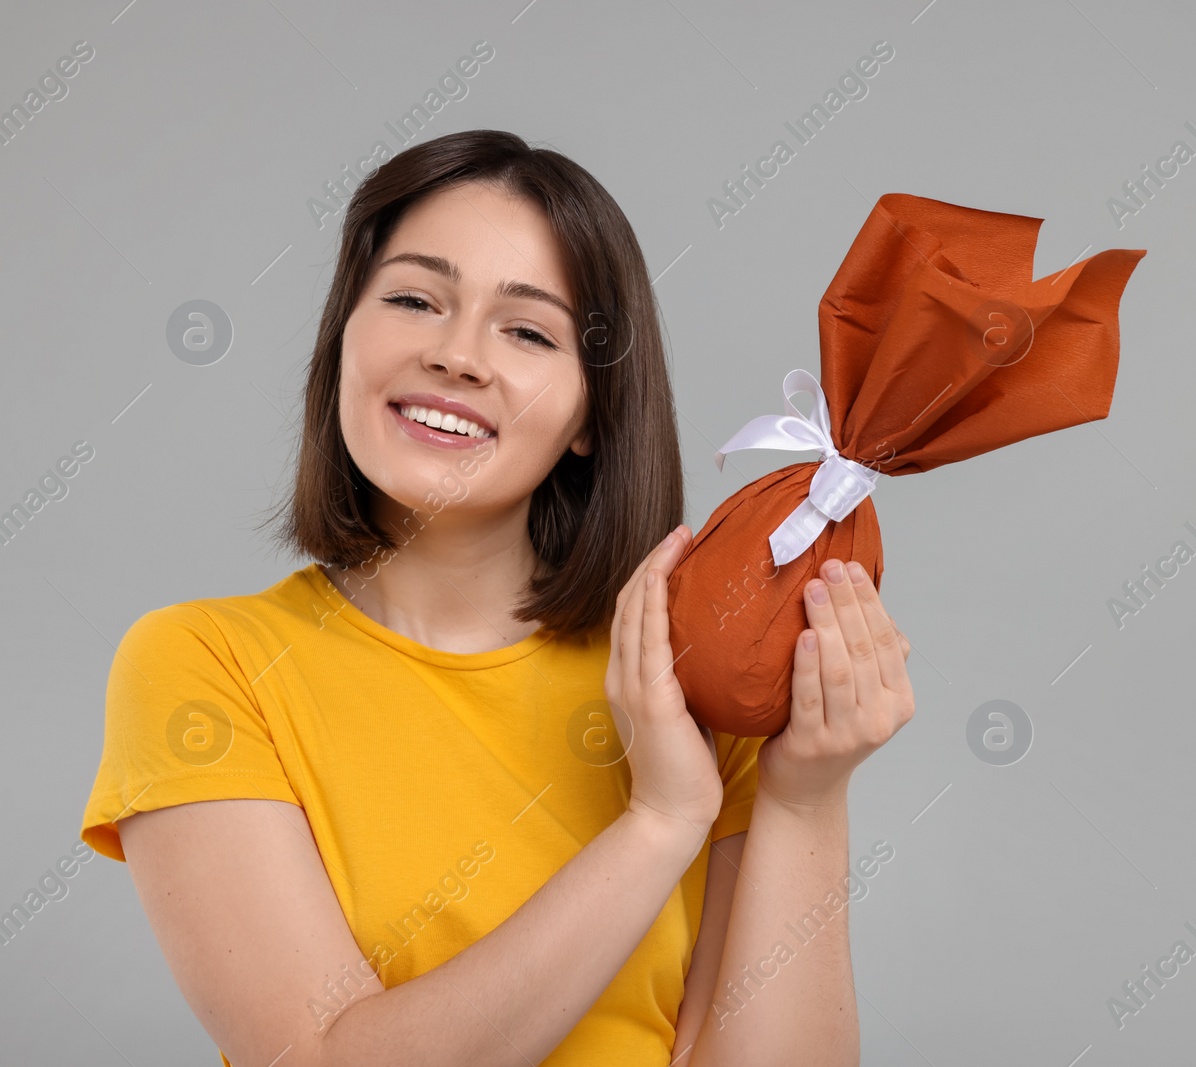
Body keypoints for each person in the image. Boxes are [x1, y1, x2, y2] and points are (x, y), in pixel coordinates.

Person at [78, 129, 915, 1067]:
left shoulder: (679, 677)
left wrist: (807, 796)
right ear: (342, 337)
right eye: (413, 298)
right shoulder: (206, 662)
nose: (458, 356)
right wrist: (660, 821)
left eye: (527, 330)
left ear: (593, 413)